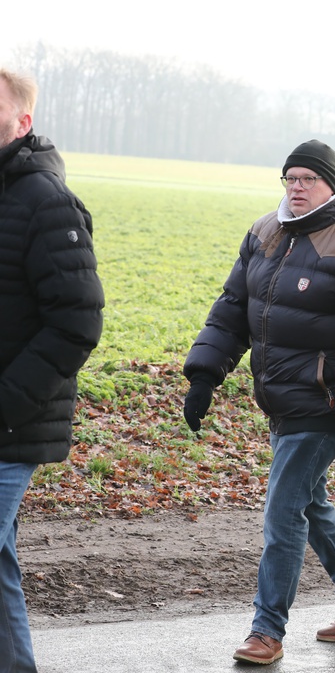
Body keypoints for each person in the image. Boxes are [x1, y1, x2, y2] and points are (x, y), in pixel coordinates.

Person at [183, 140, 335, 665]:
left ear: (332, 185)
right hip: (281, 398)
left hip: (328, 402)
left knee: (284, 509)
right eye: (290, 178)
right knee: (309, 502)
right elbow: (233, 308)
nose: (297, 187)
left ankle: (267, 630)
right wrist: (204, 374)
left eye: (308, 179)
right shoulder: (266, 231)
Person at [0, 68, 104, 673]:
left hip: (11, 426)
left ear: (23, 121)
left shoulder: (46, 201)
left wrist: (6, 403)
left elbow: (77, 323)